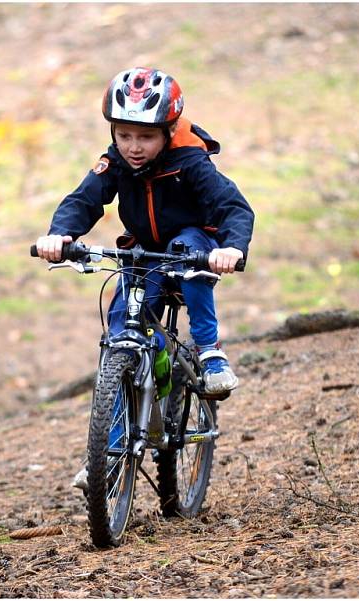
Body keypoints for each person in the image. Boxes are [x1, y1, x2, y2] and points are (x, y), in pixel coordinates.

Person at [35, 68, 254, 487]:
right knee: (120, 330)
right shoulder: (116, 160)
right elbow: (84, 198)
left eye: (146, 137)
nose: (134, 148)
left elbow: (233, 208)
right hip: (143, 250)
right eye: (124, 135)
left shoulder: (191, 159)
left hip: (193, 243)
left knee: (186, 253)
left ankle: (209, 350)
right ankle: (108, 454)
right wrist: (60, 234)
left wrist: (232, 247)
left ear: (169, 130)